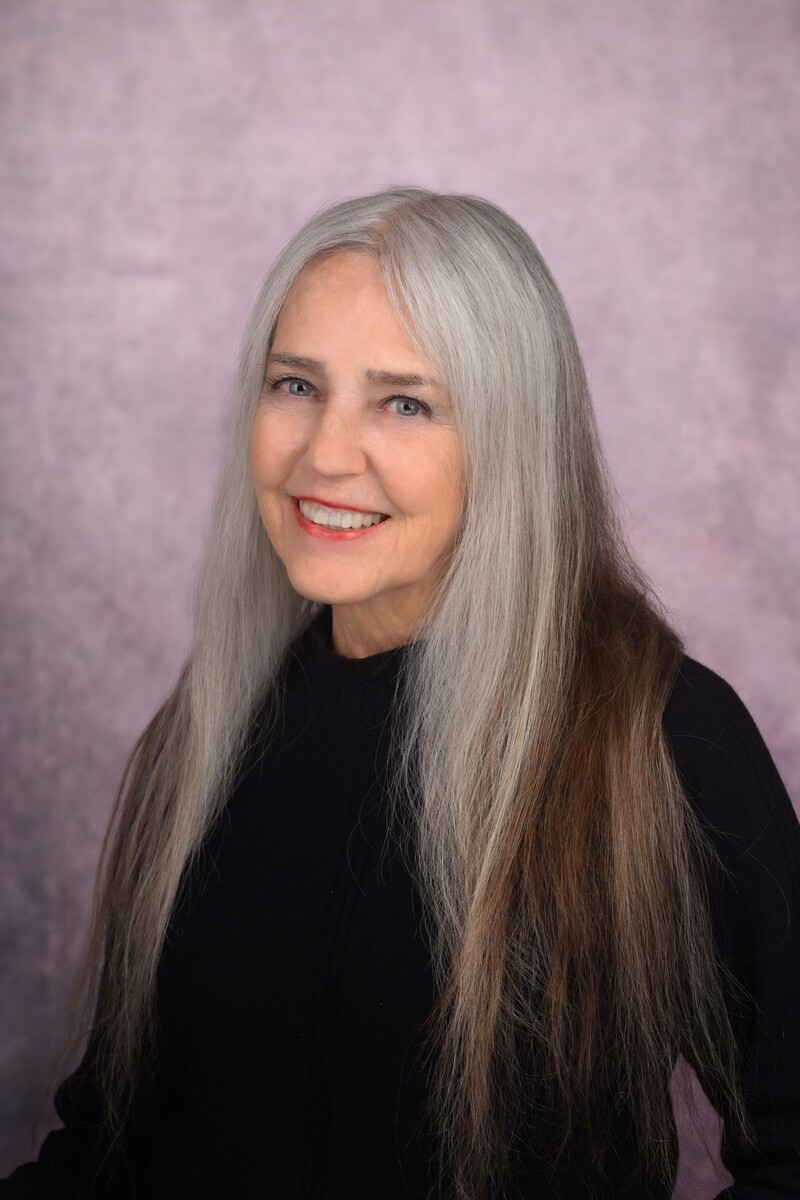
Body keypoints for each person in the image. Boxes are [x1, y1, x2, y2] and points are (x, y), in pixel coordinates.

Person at [2, 186, 798, 1199]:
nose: (324, 456)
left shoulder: (658, 739)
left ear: (507, 444)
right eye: (295, 385)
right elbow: (111, 1151)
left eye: (404, 401)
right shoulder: (205, 733)